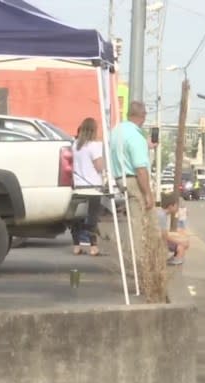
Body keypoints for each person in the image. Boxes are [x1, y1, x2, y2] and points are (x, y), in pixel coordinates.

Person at [108, 101, 155, 276]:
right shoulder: (136, 137)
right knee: (140, 223)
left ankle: (136, 261)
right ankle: (140, 266)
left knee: (133, 222)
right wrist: (148, 194)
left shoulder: (117, 131)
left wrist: (147, 145)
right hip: (134, 180)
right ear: (142, 117)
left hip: (120, 178)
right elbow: (140, 169)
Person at [70, 117, 105, 256]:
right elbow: (99, 167)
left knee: (77, 217)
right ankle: (93, 246)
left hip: (78, 185)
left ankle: (76, 245)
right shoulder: (94, 146)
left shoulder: (75, 145)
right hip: (93, 185)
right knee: (92, 216)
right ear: (93, 130)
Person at [157, 192, 189, 265]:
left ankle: (176, 257)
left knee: (184, 241)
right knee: (182, 246)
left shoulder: (162, 213)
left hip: (160, 238)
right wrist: (180, 242)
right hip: (159, 240)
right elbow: (164, 236)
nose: (177, 208)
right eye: (176, 206)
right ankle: (176, 260)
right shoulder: (162, 216)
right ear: (171, 206)